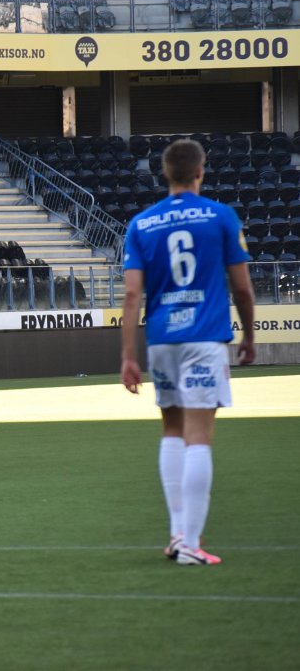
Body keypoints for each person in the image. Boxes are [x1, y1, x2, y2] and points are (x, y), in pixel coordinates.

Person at [120, 138, 255, 567]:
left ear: (165, 173)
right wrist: (249, 334)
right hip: (204, 337)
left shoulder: (142, 223)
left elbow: (132, 296)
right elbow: (242, 287)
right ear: (200, 171)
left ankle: (178, 534)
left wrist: (128, 356)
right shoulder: (221, 216)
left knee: (172, 429)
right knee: (199, 436)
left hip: (162, 340)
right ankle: (191, 544)